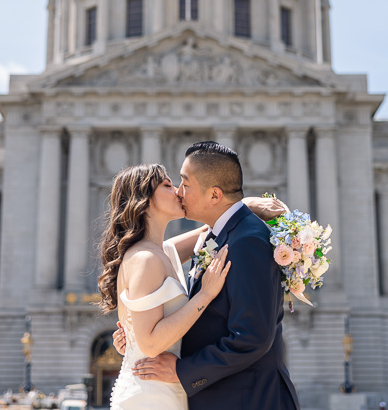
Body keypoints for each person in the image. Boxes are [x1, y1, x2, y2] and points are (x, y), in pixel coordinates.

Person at [98, 162, 286, 410]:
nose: (178, 191)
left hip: (164, 387)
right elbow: (151, 344)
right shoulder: (145, 258)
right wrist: (205, 295)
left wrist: (243, 205)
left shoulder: (161, 251)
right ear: (144, 200)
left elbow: (209, 231)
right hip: (152, 392)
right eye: (168, 185)